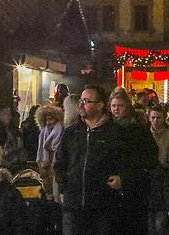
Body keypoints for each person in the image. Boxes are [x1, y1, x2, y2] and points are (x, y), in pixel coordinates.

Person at [55, 85, 126, 235]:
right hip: (73, 205)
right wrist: (63, 188)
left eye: (87, 101)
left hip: (103, 206)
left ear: (100, 105)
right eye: (81, 100)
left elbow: (127, 161)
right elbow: (60, 161)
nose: (81, 105)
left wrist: (122, 179)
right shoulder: (72, 132)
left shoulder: (115, 133)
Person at [109, 89, 158, 235]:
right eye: (113, 106)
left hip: (135, 189)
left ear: (127, 106)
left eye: (120, 105)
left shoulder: (138, 129)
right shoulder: (107, 128)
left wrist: (127, 177)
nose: (116, 109)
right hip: (112, 188)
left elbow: (150, 158)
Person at [148, 106, 169, 234]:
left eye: (158, 118)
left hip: (164, 177)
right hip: (148, 176)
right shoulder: (145, 135)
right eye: (153, 117)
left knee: (161, 216)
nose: (155, 121)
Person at [36, 104, 64, 201]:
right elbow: (40, 150)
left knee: (57, 189)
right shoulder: (43, 133)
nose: (48, 122)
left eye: (51, 119)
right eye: (46, 120)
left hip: (57, 163)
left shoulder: (62, 131)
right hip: (47, 165)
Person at [0, 106, 26, 174]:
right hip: (8, 165)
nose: (18, 121)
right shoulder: (1, 132)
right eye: (16, 119)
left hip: (17, 165)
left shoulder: (16, 132)